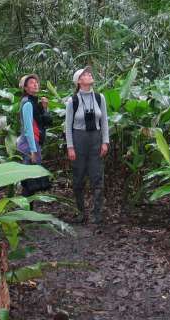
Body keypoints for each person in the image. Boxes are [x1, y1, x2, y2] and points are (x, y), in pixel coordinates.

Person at [65, 66, 109, 224]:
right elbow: (67, 126)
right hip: (79, 140)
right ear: (79, 81)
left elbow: (104, 121)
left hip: (95, 140)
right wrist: (70, 147)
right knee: (78, 179)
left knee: (98, 178)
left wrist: (105, 141)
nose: (89, 75)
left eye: (89, 73)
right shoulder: (73, 101)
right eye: (85, 74)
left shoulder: (99, 98)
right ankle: (81, 212)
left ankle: (97, 214)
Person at [17, 73, 52, 195]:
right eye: (31, 83)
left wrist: (45, 107)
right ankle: (27, 212)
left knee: (31, 181)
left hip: (34, 144)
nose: (35, 84)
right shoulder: (27, 103)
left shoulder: (34, 102)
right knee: (29, 182)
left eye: (36, 82)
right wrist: (33, 150)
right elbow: (28, 129)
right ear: (25, 88)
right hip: (29, 145)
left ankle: (29, 211)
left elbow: (45, 122)